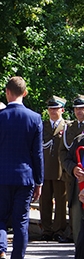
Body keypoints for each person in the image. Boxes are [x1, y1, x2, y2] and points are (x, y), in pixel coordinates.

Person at [0, 76, 44, 259]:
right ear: (24, 93)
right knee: (21, 223)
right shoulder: (35, 118)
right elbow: (37, 154)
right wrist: (39, 180)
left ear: (7, 92)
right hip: (25, 177)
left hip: (0, 176)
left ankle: (1, 252)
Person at [40, 97, 68, 242]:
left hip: (60, 169)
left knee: (61, 201)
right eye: (50, 109)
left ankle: (59, 230)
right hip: (44, 169)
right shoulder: (42, 125)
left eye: (55, 109)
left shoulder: (67, 126)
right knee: (44, 201)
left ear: (62, 110)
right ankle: (46, 229)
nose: (52, 111)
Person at [61, 97, 84, 242]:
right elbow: (64, 154)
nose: (79, 111)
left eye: (82, 108)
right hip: (76, 182)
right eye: (76, 108)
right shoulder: (72, 132)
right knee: (76, 221)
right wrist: (73, 168)